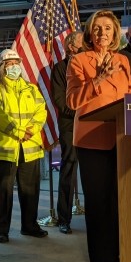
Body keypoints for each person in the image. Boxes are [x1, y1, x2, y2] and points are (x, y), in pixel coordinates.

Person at [66, 10, 131, 262]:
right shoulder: (79, 60)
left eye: (107, 28)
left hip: (121, 137)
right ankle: (98, 261)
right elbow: (72, 101)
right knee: (97, 204)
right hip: (91, 139)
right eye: (97, 28)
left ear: (115, 33)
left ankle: (114, 257)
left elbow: (130, 94)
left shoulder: (123, 60)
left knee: (117, 202)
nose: (102, 33)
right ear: (89, 33)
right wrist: (97, 80)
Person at [0, 49, 48, 244]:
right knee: (3, 192)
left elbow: (41, 110)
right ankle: (1, 230)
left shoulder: (31, 89)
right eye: (9, 64)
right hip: (5, 150)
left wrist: (33, 128)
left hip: (30, 148)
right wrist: (21, 132)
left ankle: (29, 226)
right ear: (1, 67)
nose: (13, 67)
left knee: (30, 191)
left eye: (15, 63)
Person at [50, 31, 83, 234]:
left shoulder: (90, 64)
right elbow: (60, 101)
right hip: (70, 124)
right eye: (82, 43)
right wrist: (80, 112)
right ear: (71, 46)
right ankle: (64, 218)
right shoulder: (60, 68)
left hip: (91, 123)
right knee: (69, 169)